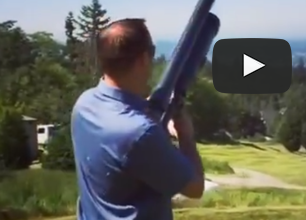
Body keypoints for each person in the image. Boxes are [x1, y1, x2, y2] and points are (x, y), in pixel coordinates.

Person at [71, 18, 205, 220]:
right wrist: (186, 135)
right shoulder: (140, 133)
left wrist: (145, 109)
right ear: (143, 58)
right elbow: (195, 188)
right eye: (152, 51)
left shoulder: (84, 104)